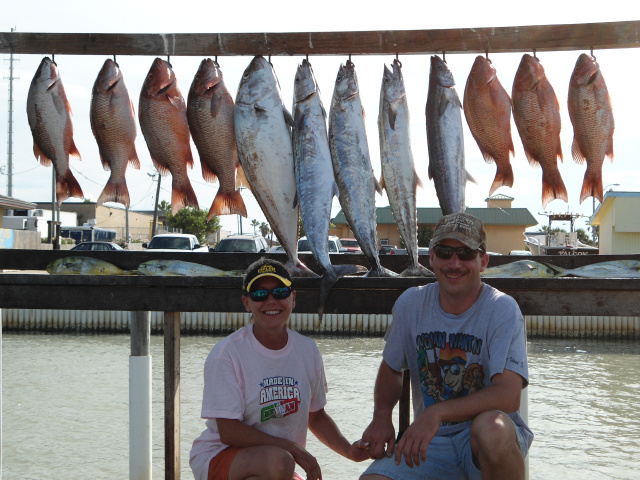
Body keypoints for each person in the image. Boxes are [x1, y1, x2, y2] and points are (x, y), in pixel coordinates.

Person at [359, 212, 533, 480]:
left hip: (483, 441)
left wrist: (437, 413)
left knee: (492, 428)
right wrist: (381, 416)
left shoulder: (503, 309)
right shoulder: (410, 304)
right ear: (432, 258)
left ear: (482, 260)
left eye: (465, 253)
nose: (454, 263)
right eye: (444, 251)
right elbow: (392, 367)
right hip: (431, 442)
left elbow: (508, 396)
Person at [190, 258, 369, 480]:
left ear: (293, 298)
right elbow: (228, 431)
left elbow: (316, 416)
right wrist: (293, 450)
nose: (271, 300)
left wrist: (349, 451)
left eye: (280, 292)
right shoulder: (226, 354)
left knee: (280, 462)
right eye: (259, 295)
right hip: (221, 456)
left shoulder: (308, 350)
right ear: (247, 303)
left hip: (278, 465)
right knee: (281, 461)